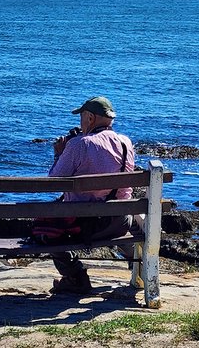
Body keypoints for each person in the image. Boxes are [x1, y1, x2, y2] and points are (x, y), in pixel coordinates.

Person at [47, 96, 135, 294]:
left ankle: (75, 276)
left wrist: (60, 153)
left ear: (90, 118)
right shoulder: (125, 143)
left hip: (84, 225)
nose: (80, 122)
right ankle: (138, 266)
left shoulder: (79, 145)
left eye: (81, 117)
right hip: (120, 221)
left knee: (46, 229)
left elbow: (53, 180)